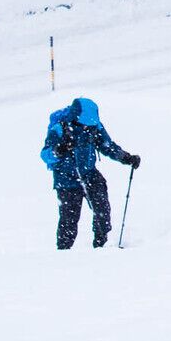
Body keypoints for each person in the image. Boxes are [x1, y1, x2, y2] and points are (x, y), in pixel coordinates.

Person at [42, 97, 139, 249]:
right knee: (69, 219)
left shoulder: (94, 126)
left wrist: (125, 157)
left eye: (91, 125)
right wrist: (57, 151)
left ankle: (101, 246)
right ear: (75, 119)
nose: (88, 128)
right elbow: (45, 155)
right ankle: (63, 253)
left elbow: (107, 145)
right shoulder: (59, 129)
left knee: (102, 211)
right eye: (84, 124)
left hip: (89, 174)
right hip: (67, 180)